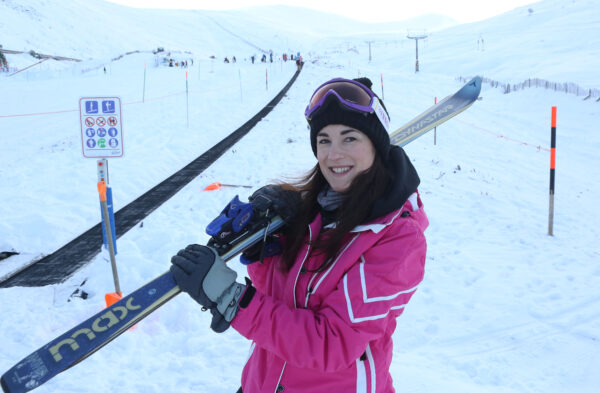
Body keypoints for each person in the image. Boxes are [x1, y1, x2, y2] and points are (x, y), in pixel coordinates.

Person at [170, 77, 429, 393]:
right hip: (265, 382)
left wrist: (232, 300)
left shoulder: (398, 238)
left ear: (375, 143)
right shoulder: (319, 208)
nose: (333, 155)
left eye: (349, 139)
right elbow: (283, 299)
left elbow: (331, 344)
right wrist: (267, 248)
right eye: (324, 140)